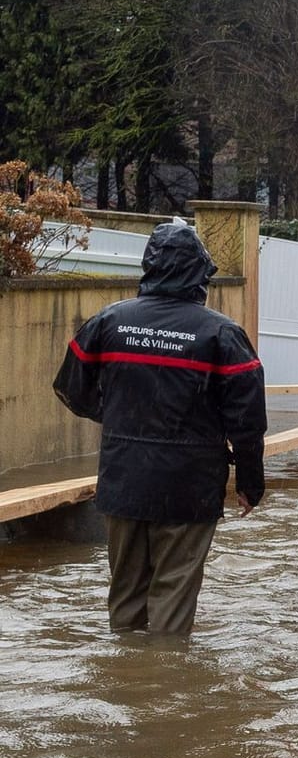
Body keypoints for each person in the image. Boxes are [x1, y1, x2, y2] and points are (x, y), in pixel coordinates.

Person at [52, 221, 267, 637]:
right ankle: (166, 686)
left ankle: (127, 682)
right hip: (190, 485)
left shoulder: (109, 322)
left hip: (123, 479)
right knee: (174, 593)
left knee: (125, 593)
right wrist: (250, 483)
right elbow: (247, 421)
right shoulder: (221, 334)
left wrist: (117, 417)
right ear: (199, 275)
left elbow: (70, 389)